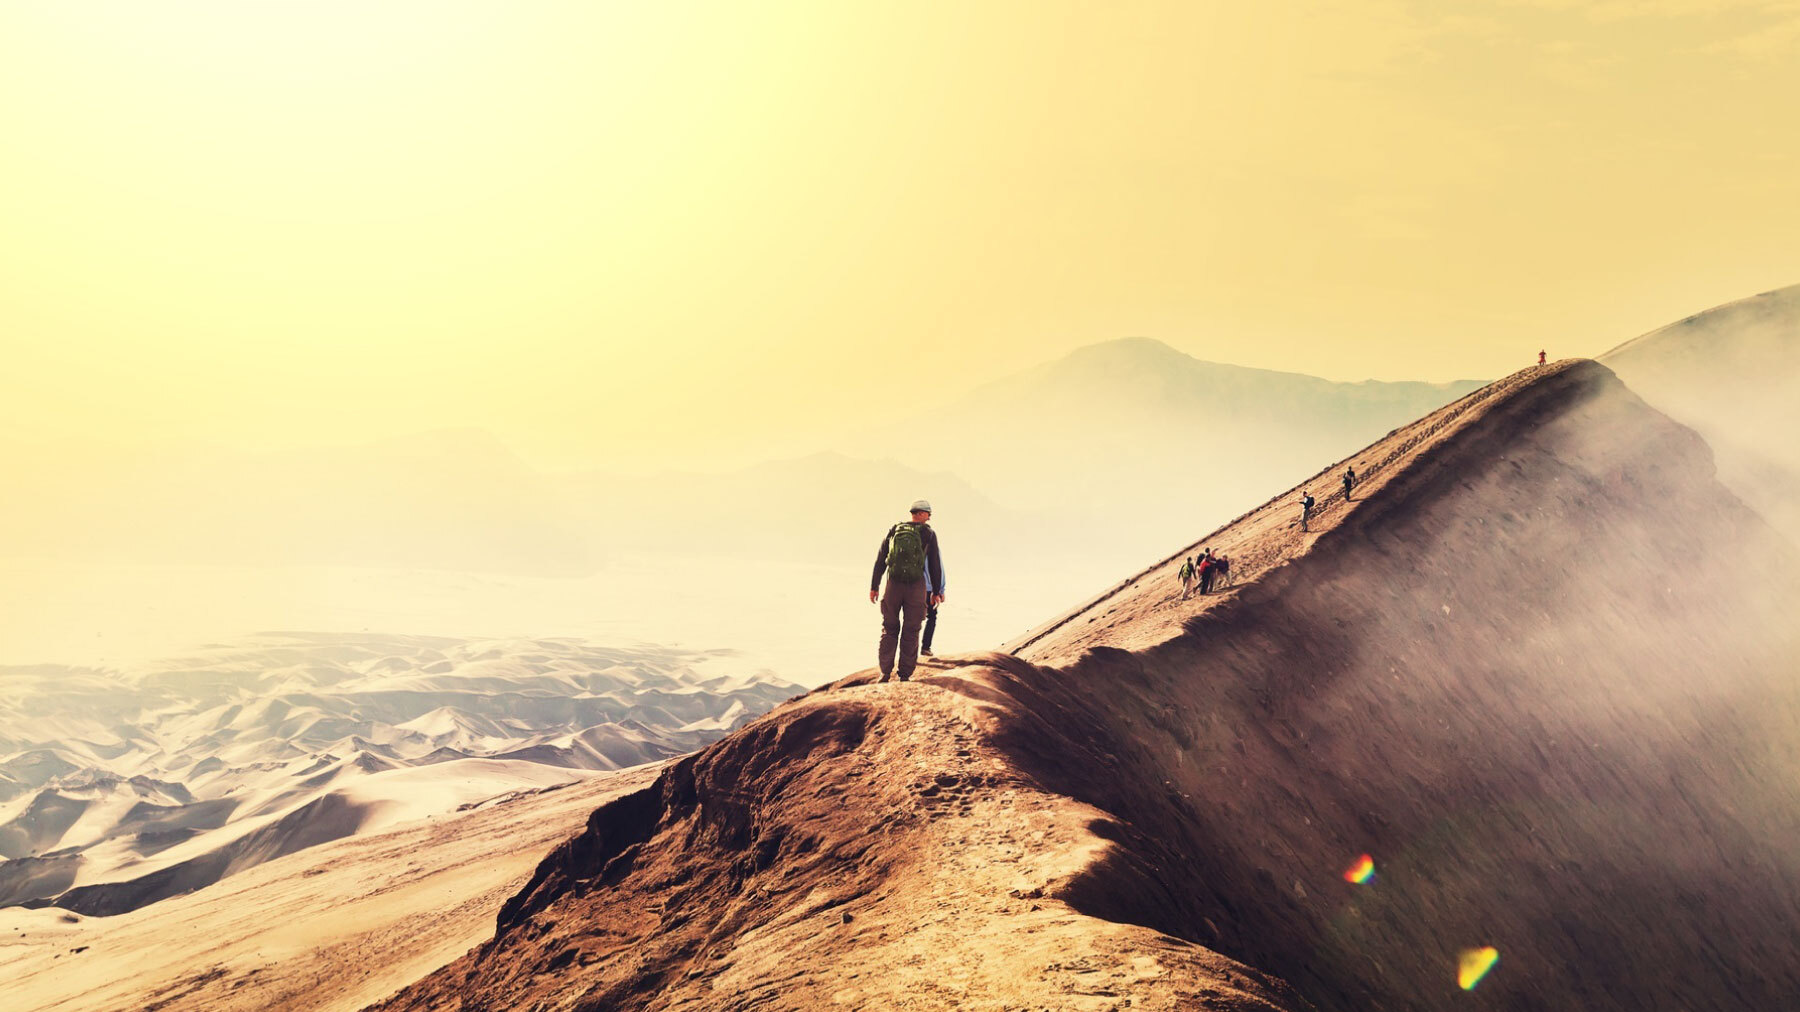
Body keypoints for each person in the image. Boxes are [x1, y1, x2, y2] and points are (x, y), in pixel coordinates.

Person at [869, 499, 945, 682]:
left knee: (889, 628)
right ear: (920, 513)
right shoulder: (928, 533)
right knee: (911, 629)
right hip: (915, 586)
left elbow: (881, 557)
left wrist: (874, 586)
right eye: (928, 513)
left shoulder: (895, 529)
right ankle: (904, 675)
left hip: (893, 585)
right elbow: (934, 564)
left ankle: (885, 672)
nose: (929, 516)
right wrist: (936, 591)